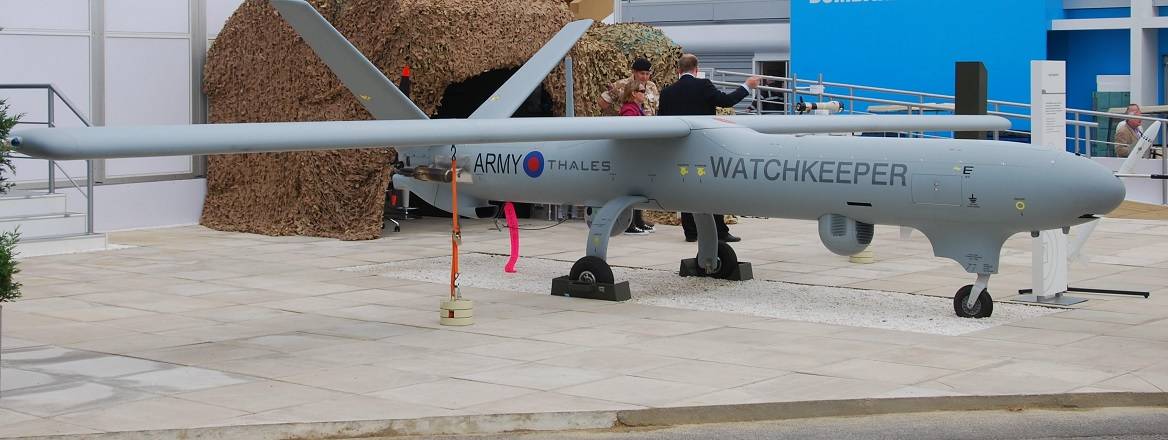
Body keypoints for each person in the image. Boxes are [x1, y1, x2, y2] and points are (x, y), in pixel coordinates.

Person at [658, 53, 760, 243]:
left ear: (678, 70)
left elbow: (661, 120)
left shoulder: (667, 92)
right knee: (711, 188)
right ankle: (720, 231)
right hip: (704, 146)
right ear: (696, 70)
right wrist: (747, 86)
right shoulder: (703, 86)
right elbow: (726, 102)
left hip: (678, 148)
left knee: (684, 187)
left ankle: (691, 232)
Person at [617, 80, 655, 234]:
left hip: (637, 154)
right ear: (633, 93)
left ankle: (638, 220)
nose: (644, 94)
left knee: (638, 188)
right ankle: (630, 223)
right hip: (631, 155)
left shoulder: (636, 108)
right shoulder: (629, 110)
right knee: (632, 189)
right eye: (642, 91)